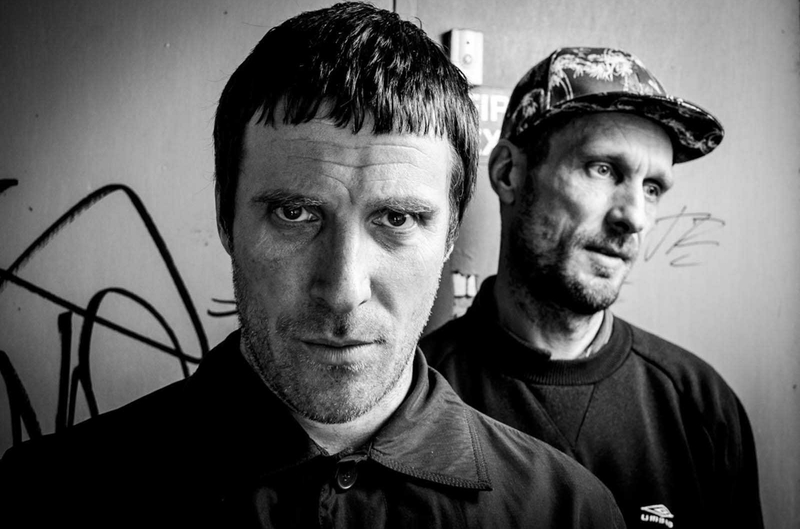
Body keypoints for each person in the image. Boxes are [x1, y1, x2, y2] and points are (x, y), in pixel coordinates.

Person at [0, 9, 626, 528]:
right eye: (294, 213)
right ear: (226, 218)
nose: (344, 289)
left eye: (398, 219)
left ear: (449, 238)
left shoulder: (568, 512)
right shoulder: (46, 497)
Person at [421, 47, 763, 529]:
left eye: (652, 188)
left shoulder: (700, 406)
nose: (634, 217)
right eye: (603, 169)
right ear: (508, 173)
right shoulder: (416, 398)